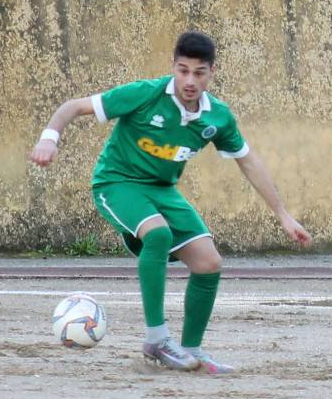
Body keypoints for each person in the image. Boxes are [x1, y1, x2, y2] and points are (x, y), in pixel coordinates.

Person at [30, 31, 311, 374]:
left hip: (162, 190)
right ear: (173, 67)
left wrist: (282, 214)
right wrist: (49, 139)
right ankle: (157, 339)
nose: (189, 80)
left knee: (209, 262)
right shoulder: (145, 94)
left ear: (212, 73)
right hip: (117, 183)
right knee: (159, 235)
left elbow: (249, 161)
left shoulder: (217, 117)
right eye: (183, 70)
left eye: (198, 72)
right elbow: (73, 107)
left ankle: (192, 350)